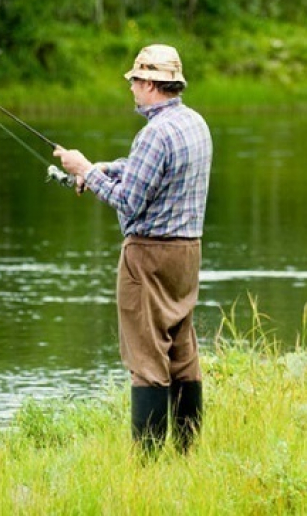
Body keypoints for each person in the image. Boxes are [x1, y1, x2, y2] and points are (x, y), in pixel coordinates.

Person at [53, 44, 212, 454]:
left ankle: (149, 462)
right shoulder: (195, 123)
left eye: (136, 81)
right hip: (187, 256)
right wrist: (109, 167)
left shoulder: (154, 134)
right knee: (182, 350)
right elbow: (151, 172)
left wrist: (84, 169)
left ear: (152, 84)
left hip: (148, 258)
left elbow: (128, 202)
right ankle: (187, 450)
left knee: (146, 359)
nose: (132, 89)